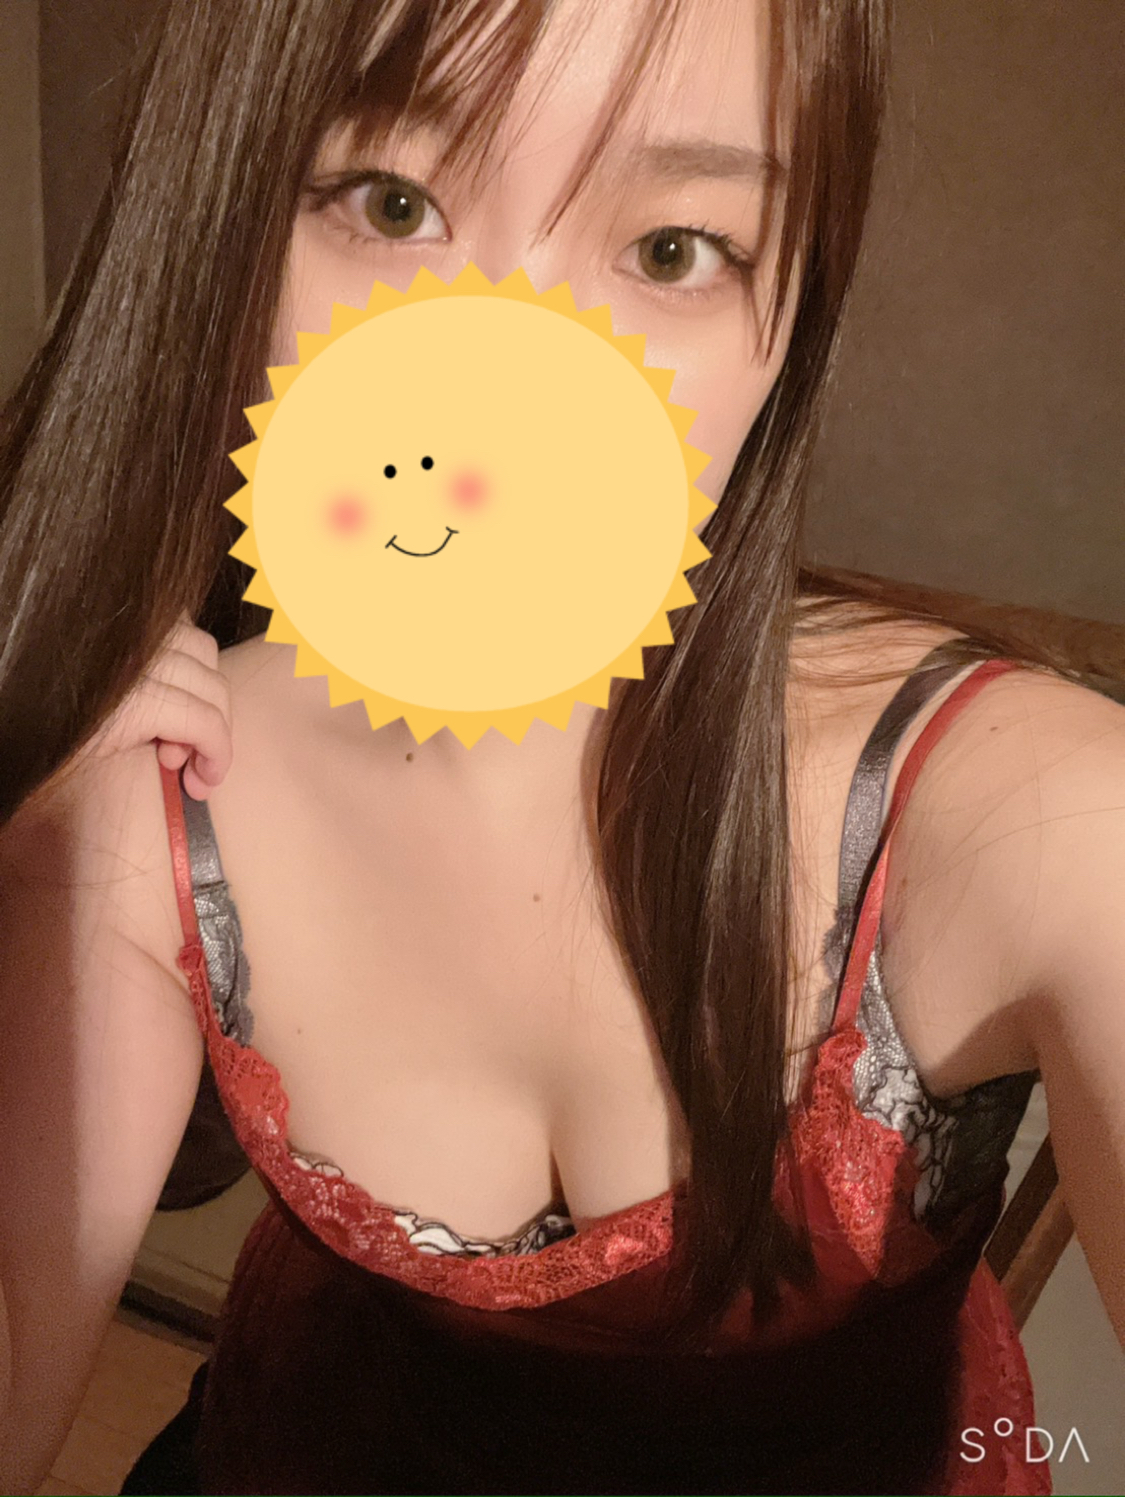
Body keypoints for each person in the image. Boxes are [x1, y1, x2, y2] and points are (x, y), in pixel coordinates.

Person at [0, 0, 1122, 1492]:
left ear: (790, 318)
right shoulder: (140, 785)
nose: (502, 403)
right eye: (392, 205)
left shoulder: (1045, 819)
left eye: (671, 249)